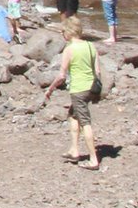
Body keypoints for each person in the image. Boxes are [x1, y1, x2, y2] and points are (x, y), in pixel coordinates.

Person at [43, 17, 102, 170]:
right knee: (73, 115)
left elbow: (62, 75)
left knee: (85, 122)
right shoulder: (90, 46)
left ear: (68, 32)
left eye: (63, 31)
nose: (62, 34)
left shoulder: (69, 49)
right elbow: (98, 71)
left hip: (78, 89)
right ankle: (74, 150)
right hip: (91, 88)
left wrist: (50, 89)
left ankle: (93, 159)